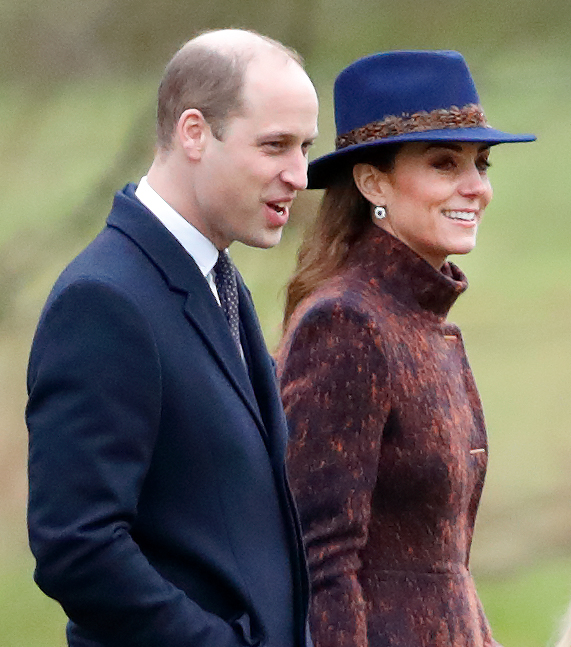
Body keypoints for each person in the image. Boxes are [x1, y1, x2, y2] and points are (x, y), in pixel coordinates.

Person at [26, 28, 319, 647]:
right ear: (193, 133)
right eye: (275, 146)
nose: (300, 174)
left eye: (305, 147)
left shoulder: (219, 280)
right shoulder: (104, 300)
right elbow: (76, 547)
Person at [276, 50, 535, 647]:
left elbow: (442, 571)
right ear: (372, 182)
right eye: (446, 164)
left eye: (482, 164)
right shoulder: (346, 324)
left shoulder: (418, 322)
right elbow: (320, 565)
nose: (478, 188)